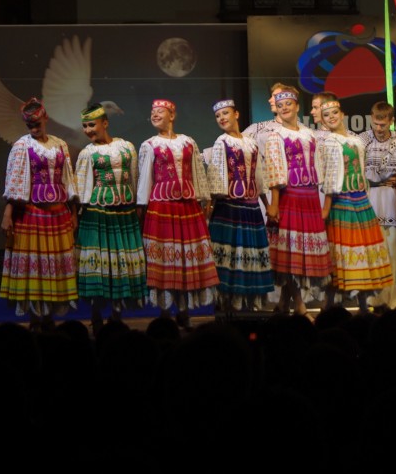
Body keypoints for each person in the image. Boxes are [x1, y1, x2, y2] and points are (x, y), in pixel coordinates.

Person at [137, 99, 219, 328]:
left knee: (184, 258)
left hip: (187, 206)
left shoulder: (187, 142)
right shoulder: (149, 144)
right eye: (152, 112)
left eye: (159, 111)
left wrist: (204, 198)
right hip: (161, 207)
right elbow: (145, 178)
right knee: (164, 257)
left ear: (172, 115)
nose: (154, 115)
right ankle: (164, 311)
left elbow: (197, 173)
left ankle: (183, 310)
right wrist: (142, 206)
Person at [0, 97, 79, 331]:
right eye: (30, 125)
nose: (34, 128)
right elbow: (14, 182)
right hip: (31, 212)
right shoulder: (22, 146)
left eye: (37, 123)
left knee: (53, 264)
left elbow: (68, 178)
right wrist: (8, 213)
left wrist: (73, 211)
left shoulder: (60, 145)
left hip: (57, 213)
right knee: (35, 264)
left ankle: (49, 319)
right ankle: (35, 320)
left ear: (45, 118)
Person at [74, 102, 147, 332]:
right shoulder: (88, 153)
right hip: (98, 214)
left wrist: (136, 204)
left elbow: (134, 177)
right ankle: (96, 316)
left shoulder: (127, 148)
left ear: (105, 123)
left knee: (120, 262)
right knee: (99, 264)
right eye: (84, 126)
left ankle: (117, 315)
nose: (88, 130)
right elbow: (81, 186)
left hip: (124, 213)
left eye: (91, 125)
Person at [318, 99, 391, 312]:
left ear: (342, 114)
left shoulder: (355, 139)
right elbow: (330, 176)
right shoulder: (330, 142)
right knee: (340, 252)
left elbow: (361, 168)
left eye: (334, 113)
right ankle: (329, 305)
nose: (331, 117)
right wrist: (326, 208)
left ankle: (362, 304)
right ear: (323, 121)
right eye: (326, 115)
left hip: (360, 198)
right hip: (342, 201)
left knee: (363, 251)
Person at [264, 87, 331, 314]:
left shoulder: (308, 133)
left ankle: (284, 303)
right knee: (291, 252)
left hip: (310, 195)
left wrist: (323, 198)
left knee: (302, 253)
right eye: (280, 105)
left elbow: (319, 165)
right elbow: (274, 171)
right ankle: (300, 306)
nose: (284, 108)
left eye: (288, 104)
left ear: (297, 106)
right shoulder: (276, 135)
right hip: (289, 195)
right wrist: (274, 203)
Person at [205, 99, 274, 313]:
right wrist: (209, 206)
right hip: (229, 207)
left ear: (236, 114)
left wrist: (267, 204)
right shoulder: (221, 141)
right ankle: (226, 305)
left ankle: (248, 304)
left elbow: (259, 175)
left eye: (226, 113)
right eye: (218, 116)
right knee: (230, 256)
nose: (222, 118)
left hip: (251, 207)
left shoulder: (251, 143)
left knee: (250, 254)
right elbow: (215, 176)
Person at [358, 101, 396, 310]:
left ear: (392, 121)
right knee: (370, 252)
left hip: (391, 201)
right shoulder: (361, 140)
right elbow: (353, 171)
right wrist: (374, 181)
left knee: (391, 251)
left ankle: (393, 299)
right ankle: (371, 299)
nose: (379, 129)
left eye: (383, 125)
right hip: (367, 200)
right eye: (375, 124)